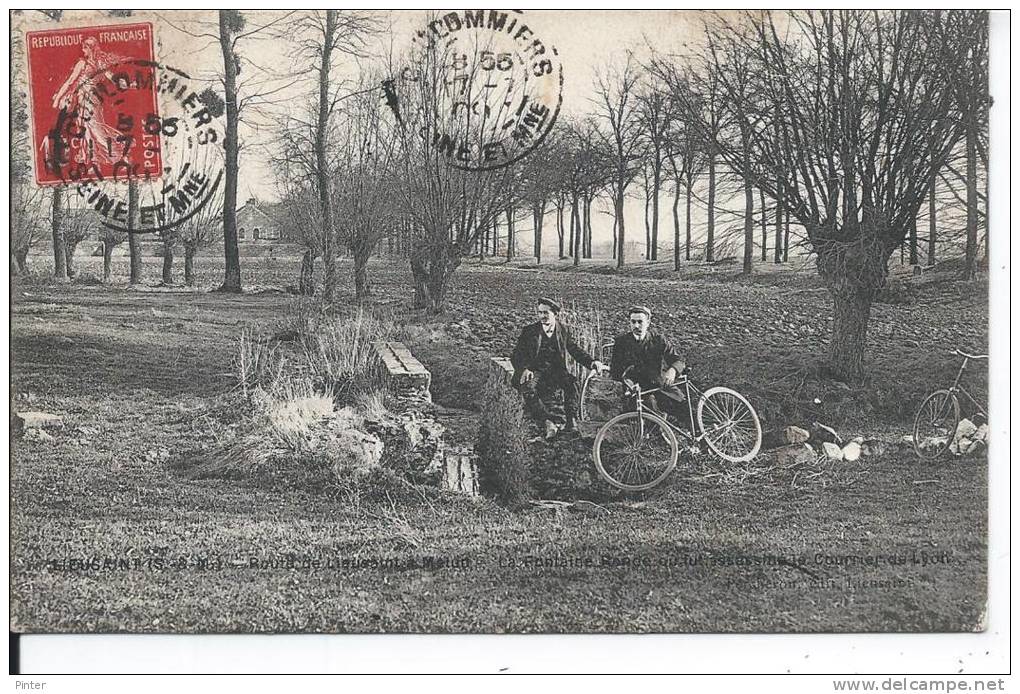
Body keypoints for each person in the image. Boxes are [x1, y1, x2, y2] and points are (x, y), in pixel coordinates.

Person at [511, 298, 606, 438]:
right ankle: (548, 421)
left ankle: (571, 421)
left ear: (555, 314)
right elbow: (516, 355)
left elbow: (574, 350)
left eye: (546, 313)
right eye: (540, 312)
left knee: (573, 383)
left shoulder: (562, 330)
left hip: (556, 372)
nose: (542, 316)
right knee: (528, 388)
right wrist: (525, 369)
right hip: (535, 370)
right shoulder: (530, 331)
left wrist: (592, 363)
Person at [610, 305, 689, 428]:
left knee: (684, 405)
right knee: (651, 408)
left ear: (648, 322)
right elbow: (616, 372)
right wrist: (629, 382)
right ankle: (661, 436)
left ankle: (700, 436)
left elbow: (678, 360)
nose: (636, 326)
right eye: (633, 322)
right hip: (637, 390)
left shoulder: (658, 340)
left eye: (640, 322)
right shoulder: (621, 343)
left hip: (660, 385)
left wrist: (672, 370)